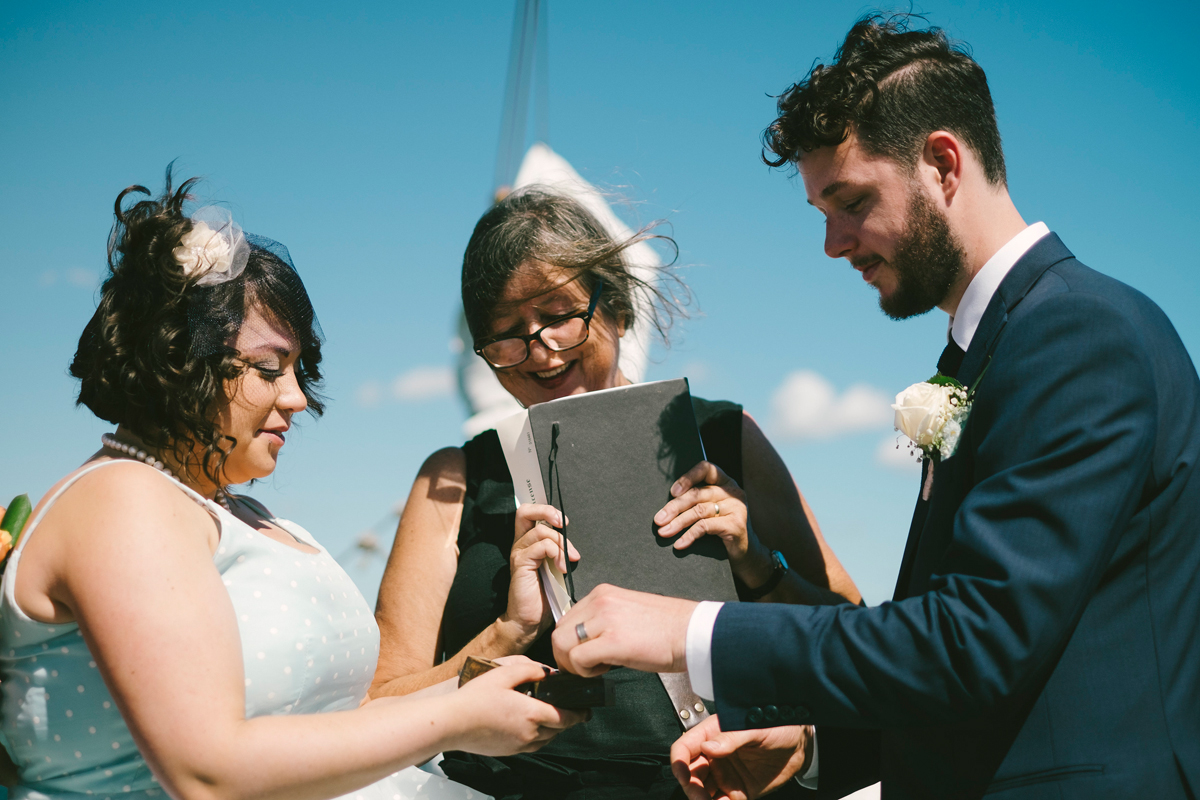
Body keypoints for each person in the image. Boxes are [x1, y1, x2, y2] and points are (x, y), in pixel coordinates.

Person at [549, 14, 1200, 800]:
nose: (832, 243)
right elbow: (990, 670)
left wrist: (686, 631)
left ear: (942, 163)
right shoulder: (992, 347)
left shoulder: (1078, 333)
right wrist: (815, 749)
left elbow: (973, 644)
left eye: (850, 201)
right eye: (823, 214)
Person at [0, 171, 585, 800]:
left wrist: (505, 635)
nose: (298, 398)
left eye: (298, 370)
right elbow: (207, 772)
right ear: (178, 359)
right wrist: (462, 719)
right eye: (267, 368)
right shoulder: (120, 500)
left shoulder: (243, 514)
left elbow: (349, 723)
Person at [370, 188, 861, 799]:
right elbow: (380, 706)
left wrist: (757, 564)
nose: (540, 350)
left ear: (619, 309)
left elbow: (856, 639)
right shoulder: (452, 480)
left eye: (560, 314)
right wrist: (507, 630)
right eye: (505, 335)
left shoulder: (722, 438)